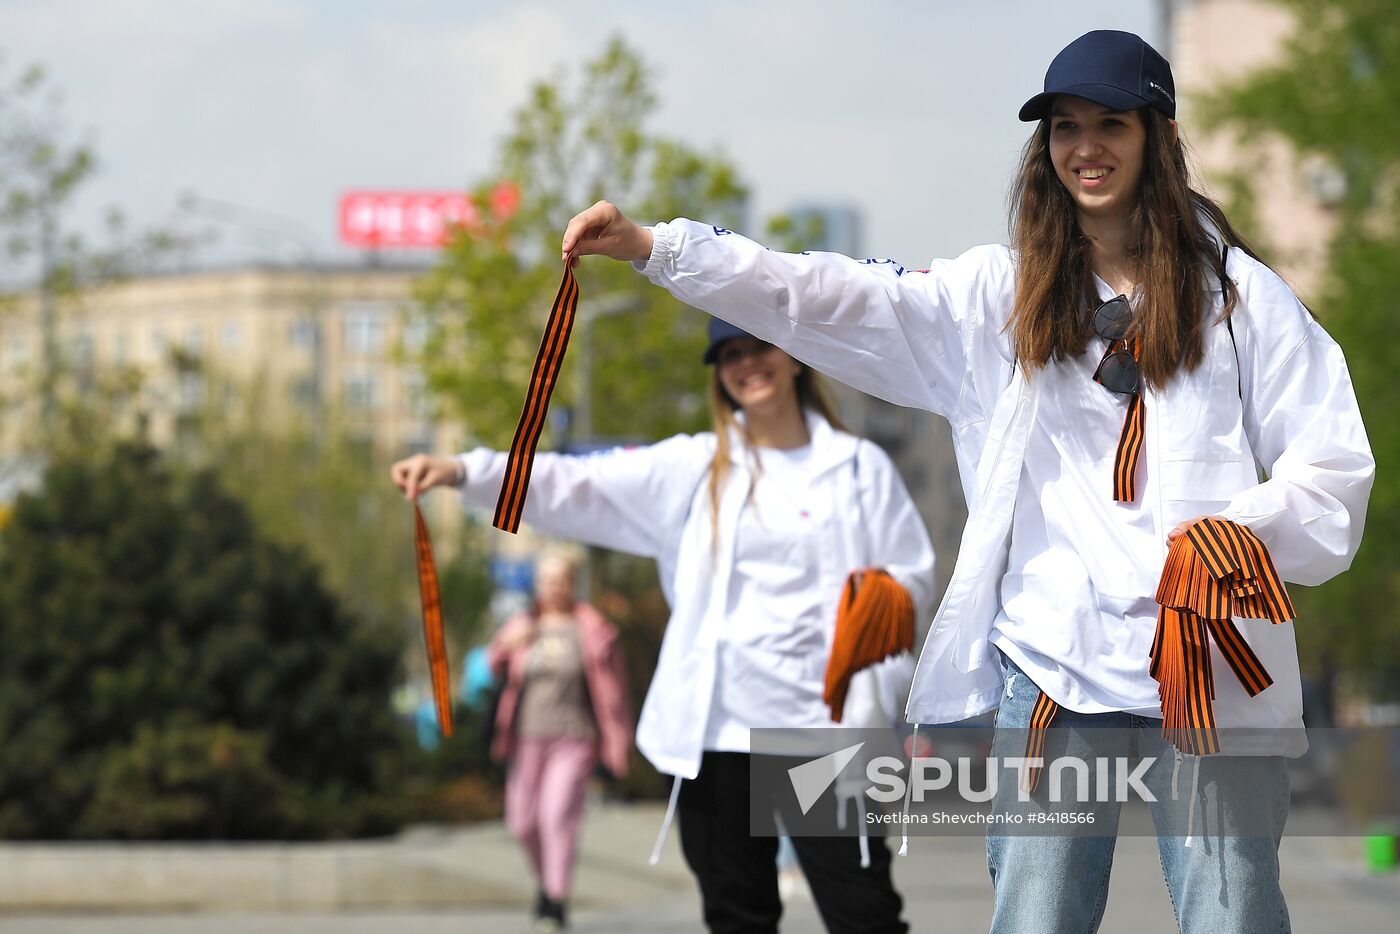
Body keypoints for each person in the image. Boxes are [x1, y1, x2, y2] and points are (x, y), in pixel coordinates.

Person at [557, 28, 1374, 934]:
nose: (1086, 147)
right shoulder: (997, 299)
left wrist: (1243, 535)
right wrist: (658, 249)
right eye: (1065, 127)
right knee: (1036, 916)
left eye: (1111, 123)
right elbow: (822, 293)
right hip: (1058, 665)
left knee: (1235, 916)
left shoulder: (1240, 301)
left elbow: (1333, 463)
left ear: (1158, 137)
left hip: (1207, 663)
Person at [392, 319, 936, 934]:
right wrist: (466, 472)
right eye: (729, 354)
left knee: (864, 917)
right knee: (737, 918)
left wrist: (877, 651)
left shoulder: (858, 468)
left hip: (819, 735)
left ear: (795, 358)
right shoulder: (694, 468)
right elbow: (577, 482)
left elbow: (911, 579)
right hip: (717, 734)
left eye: (760, 347)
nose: (746, 364)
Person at [487, 549, 633, 932]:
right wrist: (508, 645)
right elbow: (490, 664)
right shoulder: (522, 624)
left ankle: (557, 899)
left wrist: (618, 743)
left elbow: (615, 692)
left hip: (574, 737)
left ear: (572, 584)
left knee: (556, 816)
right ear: (537, 584)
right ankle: (547, 885)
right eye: (546, 580)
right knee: (522, 822)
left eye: (560, 580)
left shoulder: (592, 628)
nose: (553, 587)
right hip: (525, 739)